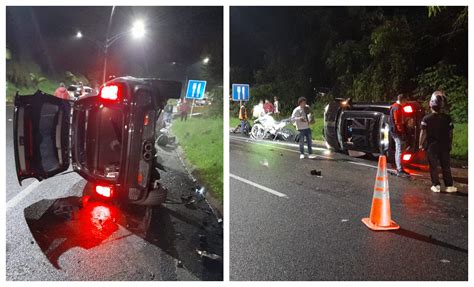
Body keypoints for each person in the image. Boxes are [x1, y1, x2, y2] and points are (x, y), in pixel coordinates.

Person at [419, 91, 457, 193]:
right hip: (444, 146)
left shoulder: (426, 119)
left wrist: (420, 144)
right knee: (446, 166)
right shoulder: (447, 118)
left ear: (431, 104)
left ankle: (436, 185)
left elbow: (423, 133)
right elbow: (450, 133)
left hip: (432, 147)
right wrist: (450, 143)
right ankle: (449, 186)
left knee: (433, 166)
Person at [389, 94, 410, 177]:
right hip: (396, 131)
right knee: (399, 149)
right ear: (403, 100)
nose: (406, 102)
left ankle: (400, 168)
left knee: (399, 149)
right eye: (406, 101)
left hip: (394, 130)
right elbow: (398, 122)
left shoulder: (394, 106)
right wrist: (402, 132)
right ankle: (399, 169)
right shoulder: (397, 107)